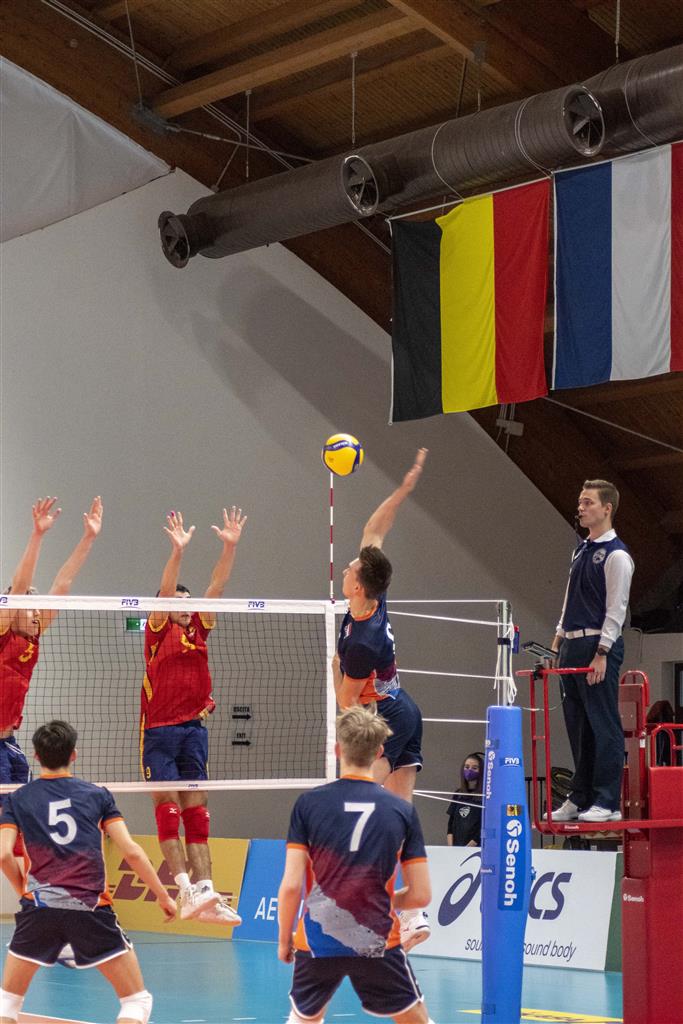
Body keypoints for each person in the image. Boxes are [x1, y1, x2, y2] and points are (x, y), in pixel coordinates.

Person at [0, 720, 176, 1024]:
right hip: (91, 909)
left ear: (37, 756)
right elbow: (132, 851)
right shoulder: (98, 795)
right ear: (74, 754)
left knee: (7, 1003)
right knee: (136, 1001)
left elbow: (4, 854)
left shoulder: (18, 798)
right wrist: (163, 896)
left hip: (38, 909)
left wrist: (27, 895)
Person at [277, 706, 436, 1024]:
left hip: (318, 937)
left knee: (304, 1019)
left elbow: (291, 886)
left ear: (338, 750)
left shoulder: (308, 804)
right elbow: (421, 895)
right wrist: (375, 900)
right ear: (379, 753)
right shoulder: (401, 811)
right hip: (376, 936)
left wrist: (284, 941)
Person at [332, 447, 429, 949]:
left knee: (366, 807)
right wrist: (404, 489)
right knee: (402, 810)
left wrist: (332, 667)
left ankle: (364, 904)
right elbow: (375, 528)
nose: (348, 565)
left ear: (357, 586)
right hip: (404, 708)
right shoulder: (374, 595)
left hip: (383, 716)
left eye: (351, 567)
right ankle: (413, 915)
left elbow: (346, 704)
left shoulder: (361, 642)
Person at [141, 507, 246, 926]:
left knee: (197, 814)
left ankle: (207, 893)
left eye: (189, 603)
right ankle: (184, 889)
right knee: (168, 810)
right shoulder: (157, 630)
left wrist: (229, 547)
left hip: (193, 731)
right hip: (158, 732)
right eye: (178, 603)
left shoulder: (199, 629)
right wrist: (178, 551)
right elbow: (166, 593)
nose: (186, 607)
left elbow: (216, 585)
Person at [1, 496, 103, 791]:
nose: (36, 614)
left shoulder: (31, 637)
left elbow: (62, 585)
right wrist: (37, 535)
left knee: (21, 808)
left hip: (8, 741)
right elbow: (19, 587)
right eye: (29, 608)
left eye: (38, 609)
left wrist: (88, 538)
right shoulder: (3, 631)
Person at [550, 479, 634, 824]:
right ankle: (580, 795)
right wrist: (558, 639)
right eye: (580, 502)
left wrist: (602, 652)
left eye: (588, 503)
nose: (581, 508)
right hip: (572, 644)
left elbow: (617, 609)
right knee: (578, 725)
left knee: (603, 724)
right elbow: (570, 598)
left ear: (607, 508)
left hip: (597, 644)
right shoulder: (581, 550)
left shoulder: (617, 555)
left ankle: (608, 801)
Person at [446, 753, 483, 847]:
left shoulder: (486, 796)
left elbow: (485, 826)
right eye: (467, 767)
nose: (469, 770)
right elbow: (451, 824)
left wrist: (468, 848)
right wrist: (451, 848)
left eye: (474, 768)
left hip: (475, 849)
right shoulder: (458, 794)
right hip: (456, 848)